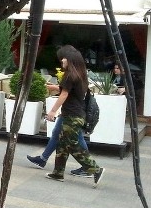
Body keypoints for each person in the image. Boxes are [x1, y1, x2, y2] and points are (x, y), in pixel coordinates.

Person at [42, 44, 105, 185]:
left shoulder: (69, 75)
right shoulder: (80, 74)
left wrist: (52, 111)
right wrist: (52, 87)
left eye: (63, 59)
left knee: (72, 145)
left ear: (69, 59)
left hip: (72, 115)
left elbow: (64, 94)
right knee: (63, 145)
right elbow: (68, 90)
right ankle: (58, 173)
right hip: (76, 115)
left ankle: (95, 169)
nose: (61, 61)